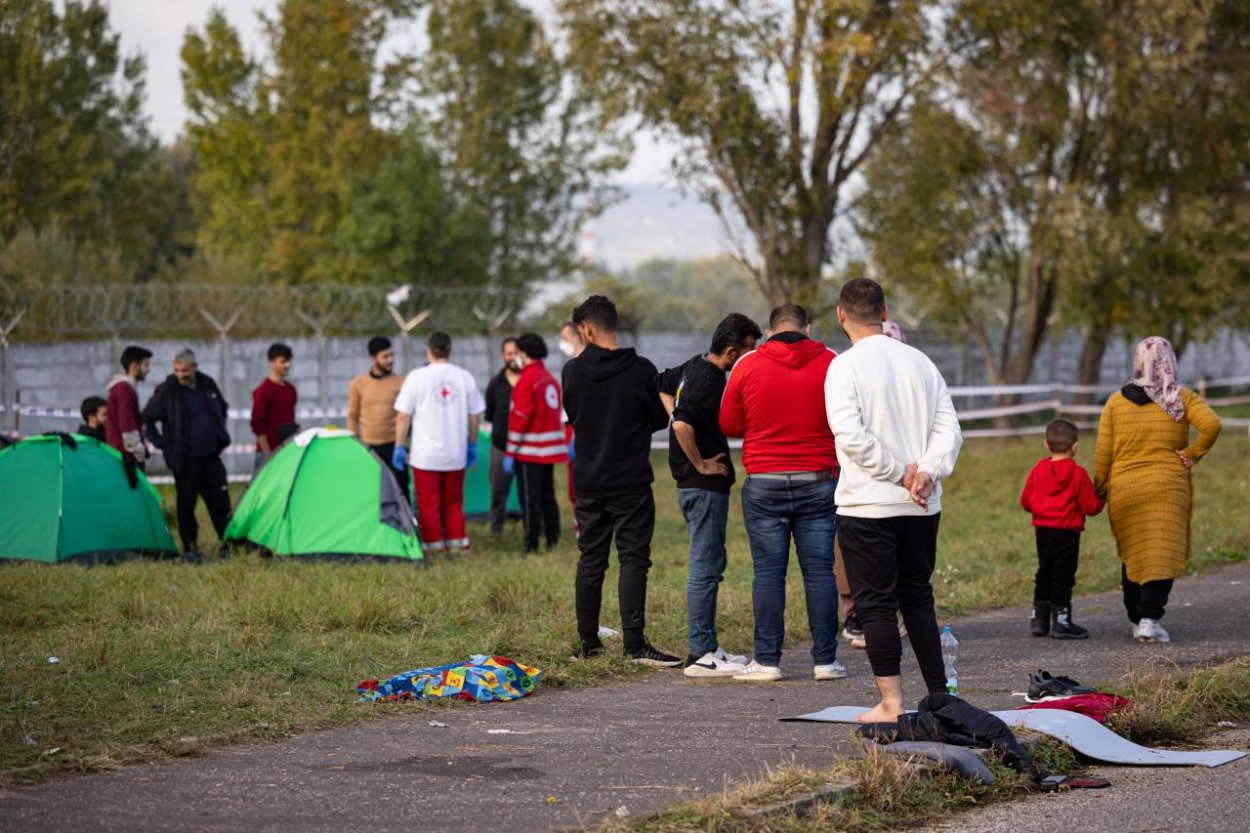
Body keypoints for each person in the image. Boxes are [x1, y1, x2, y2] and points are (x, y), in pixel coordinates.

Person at [824, 278, 962, 723]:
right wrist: (928, 471)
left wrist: (898, 472)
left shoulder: (843, 367)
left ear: (841, 315)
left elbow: (851, 436)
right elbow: (948, 429)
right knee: (918, 598)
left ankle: (891, 703)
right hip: (921, 506)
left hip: (868, 505)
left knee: (877, 605)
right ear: (885, 312)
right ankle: (940, 694)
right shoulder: (920, 361)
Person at [719, 304, 844, 683]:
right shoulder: (831, 361)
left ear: (771, 331)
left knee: (768, 574)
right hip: (818, 479)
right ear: (808, 328)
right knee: (820, 573)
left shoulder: (748, 364)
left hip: (764, 481)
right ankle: (825, 662)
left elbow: (729, 423)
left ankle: (767, 661)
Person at [562, 295, 678, 665]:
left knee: (591, 559)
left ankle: (589, 643)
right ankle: (634, 644)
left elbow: (574, 415)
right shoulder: (641, 369)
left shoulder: (572, 371)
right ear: (613, 324)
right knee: (633, 559)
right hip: (631, 480)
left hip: (589, 481)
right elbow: (659, 418)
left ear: (586, 329)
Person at [1094, 336, 1221, 644]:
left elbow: (1103, 453)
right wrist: (1192, 454)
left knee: (1134, 552)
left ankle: (1136, 617)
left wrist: (1100, 489)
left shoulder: (1115, 402)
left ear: (1138, 362)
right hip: (1168, 488)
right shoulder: (1181, 398)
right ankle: (1150, 619)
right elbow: (1212, 425)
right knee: (1160, 552)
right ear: (1170, 361)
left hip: (1125, 489)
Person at [657, 313, 762, 677]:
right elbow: (683, 424)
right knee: (705, 566)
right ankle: (700, 653)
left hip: (696, 486)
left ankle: (710, 646)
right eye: (748, 350)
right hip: (702, 487)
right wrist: (700, 462)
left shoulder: (693, 366)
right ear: (731, 351)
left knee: (712, 562)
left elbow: (662, 384)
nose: (750, 357)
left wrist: (677, 417)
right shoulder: (709, 378)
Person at [392, 331, 485, 555]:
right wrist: (472, 444)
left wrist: (398, 446)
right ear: (449, 350)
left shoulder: (416, 377)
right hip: (456, 454)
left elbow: (403, 416)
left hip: (425, 456)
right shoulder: (464, 377)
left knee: (428, 504)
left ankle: (433, 547)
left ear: (428, 350)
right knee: (453, 502)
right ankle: (458, 545)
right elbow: (475, 416)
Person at [143, 349, 232, 561]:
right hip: (186, 460)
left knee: (220, 504)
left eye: (184, 370)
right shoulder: (167, 390)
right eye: (177, 370)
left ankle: (228, 545)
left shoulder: (207, 384)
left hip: (211, 457)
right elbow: (147, 417)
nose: (180, 375)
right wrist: (163, 443)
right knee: (186, 506)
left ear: (194, 368)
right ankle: (190, 548)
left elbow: (222, 408)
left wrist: (219, 434)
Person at [1020, 419, 1104, 639]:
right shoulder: (1078, 474)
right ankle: (1061, 622)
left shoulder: (1038, 470)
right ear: (1075, 446)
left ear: (1046, 444)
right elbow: (1090, 507)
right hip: (1067, 533)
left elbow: (1026, 501)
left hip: (1043, 531)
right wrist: (1102, 496)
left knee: (1044, 572)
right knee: (1063, 576)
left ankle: (1039, 620)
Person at [504, 333, 567, 554]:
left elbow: (520, 418)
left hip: (531, 451)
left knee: (530, 499)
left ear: (524, 353)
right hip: (550, 450)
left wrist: (510, 451)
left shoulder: (526, 380)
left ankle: (531, 545)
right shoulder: (550, 379)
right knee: (548, 497)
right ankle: (552, 540)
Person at [348, 336, 408, 501]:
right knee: (371, 493)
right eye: (385, 356)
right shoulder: (358, 383)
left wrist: (405, 446)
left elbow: (407, 417)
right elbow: (353, 416)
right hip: (369, 448)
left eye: (392, 355)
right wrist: (357, 445)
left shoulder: (401, 382)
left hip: (395, 447)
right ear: (373, 358)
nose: (391, 360)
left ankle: (405, 518)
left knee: (401, 491)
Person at [484, 337, 521, 534]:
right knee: (498, 493)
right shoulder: (495, 384)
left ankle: (536, 530)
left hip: (527, 448)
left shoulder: (530, 380)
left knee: (531, 493)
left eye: (516, 353)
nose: (513, 357)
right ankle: (496, 531)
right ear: (502, 356)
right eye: (509, 353)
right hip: (501, 447)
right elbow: (490, 415)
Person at [106, 345, 152, 474]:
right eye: (146, 365)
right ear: (134, 366)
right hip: (126, 458)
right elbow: (127, 426)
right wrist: (139, 453)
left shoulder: (124, 388)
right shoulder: (124, 390)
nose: (148, 370)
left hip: (125, 455)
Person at [559, 321, 586, 530]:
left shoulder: (583, 365)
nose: (562, 342)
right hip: (569, 428)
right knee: (573, 485)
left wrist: (576, 434)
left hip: (581, 429)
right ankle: (580, 526)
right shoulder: (570, 366)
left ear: (576, 336)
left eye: (565, 337)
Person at [251, 343, 296, 469]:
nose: (287, 365)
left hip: (286, 452)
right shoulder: (263, 391)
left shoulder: (291, 390)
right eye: (283, 362)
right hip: (268, 454)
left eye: (289, 361)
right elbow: (257, 425)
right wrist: (268, 454)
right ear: (272, 363)